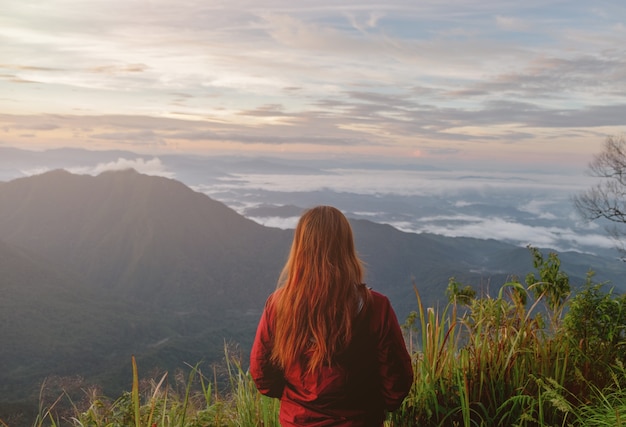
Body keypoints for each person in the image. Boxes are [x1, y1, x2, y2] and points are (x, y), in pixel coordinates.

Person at [250, 205, 414, 426]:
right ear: (345, 247)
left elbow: (262, 373)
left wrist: (295, 399)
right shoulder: (376, 308)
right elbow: (397, 380)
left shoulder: (279, 305)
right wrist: (373, 405)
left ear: (300, 248)